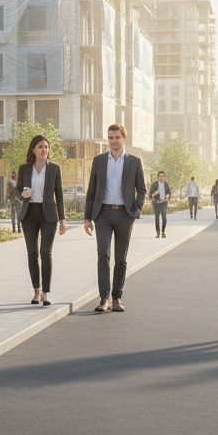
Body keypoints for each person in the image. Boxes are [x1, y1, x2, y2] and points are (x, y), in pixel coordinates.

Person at [83, 124, 145, 312]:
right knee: (103, 254)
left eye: (117, 137)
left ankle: (117, 297)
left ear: (124, 139)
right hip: (103, 214)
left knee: (121, 258)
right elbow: (92, 190)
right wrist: (87, 218)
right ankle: (104, 298)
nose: (113, 141)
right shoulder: (99, 161)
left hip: (125, 215)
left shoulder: (134, 161)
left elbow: (142, 189)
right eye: (110, 138)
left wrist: (135, 210)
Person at [16, 136, 66, 306]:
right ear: (33, 150)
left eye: (46, 147)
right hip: (29, 214)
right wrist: (21, 195)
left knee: (46, 253)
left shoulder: (54, 169)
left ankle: (46, 292)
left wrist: (63, 219)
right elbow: (16, 191)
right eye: (40, 147)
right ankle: (36, 291)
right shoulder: (24, 169)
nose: (44, 150)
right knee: (32, 254)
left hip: (48, 215)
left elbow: (59, 195)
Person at [149, 170, 171, 238]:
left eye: (162, 176)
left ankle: (163, 232)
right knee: (157, 218)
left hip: (164, 203)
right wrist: (155, 193)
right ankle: (158, 233)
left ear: (164, 177)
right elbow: (150, 196)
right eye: (160, 176)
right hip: (156, 203)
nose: (161, 177)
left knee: (164, 218)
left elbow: (169, 193)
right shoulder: (154, 184)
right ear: (157, 177)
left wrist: (168, 196)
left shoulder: (166, 184)